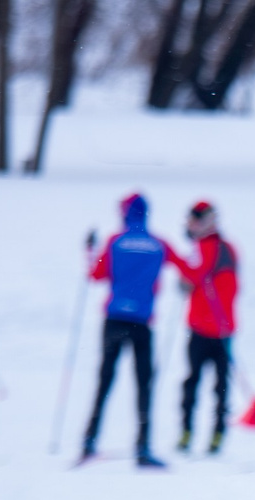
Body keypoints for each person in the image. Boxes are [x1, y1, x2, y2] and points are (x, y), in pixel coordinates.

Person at [79, 194, 169, 469]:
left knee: (105, 379)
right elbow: (189, 271)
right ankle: (143, 446)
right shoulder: (158, 244)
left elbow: (95, 275)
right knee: (144, 384)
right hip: (142, 322)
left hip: (115, 318)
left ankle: (89, 440)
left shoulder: (115, 241)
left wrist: (89, 251)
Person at [166, 200, 240, 456]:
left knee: (214, 385)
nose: (192, 226)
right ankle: (191, 432)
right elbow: (189, 281)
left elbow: (192, 276)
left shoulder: (216, 249)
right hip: (206, 328)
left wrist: (173, 257)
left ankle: (214, 434)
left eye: (196, 221)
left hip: (218, 329)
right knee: (198, 382)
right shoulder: (215, 248)